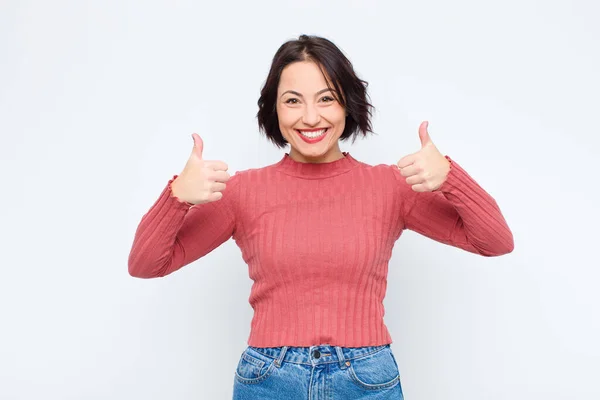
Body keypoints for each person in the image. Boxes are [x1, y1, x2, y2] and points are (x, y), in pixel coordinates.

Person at [127, 34, 514, 399]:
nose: (311, 117)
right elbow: (146, 264)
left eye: (326, 98)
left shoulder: (390, 186)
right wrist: (176, 195)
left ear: (348, 103)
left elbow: (494, 242)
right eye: (293, 101)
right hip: (268, 379)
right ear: (273, 109)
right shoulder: (242, 191)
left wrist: (450, 176)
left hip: (366, 378)